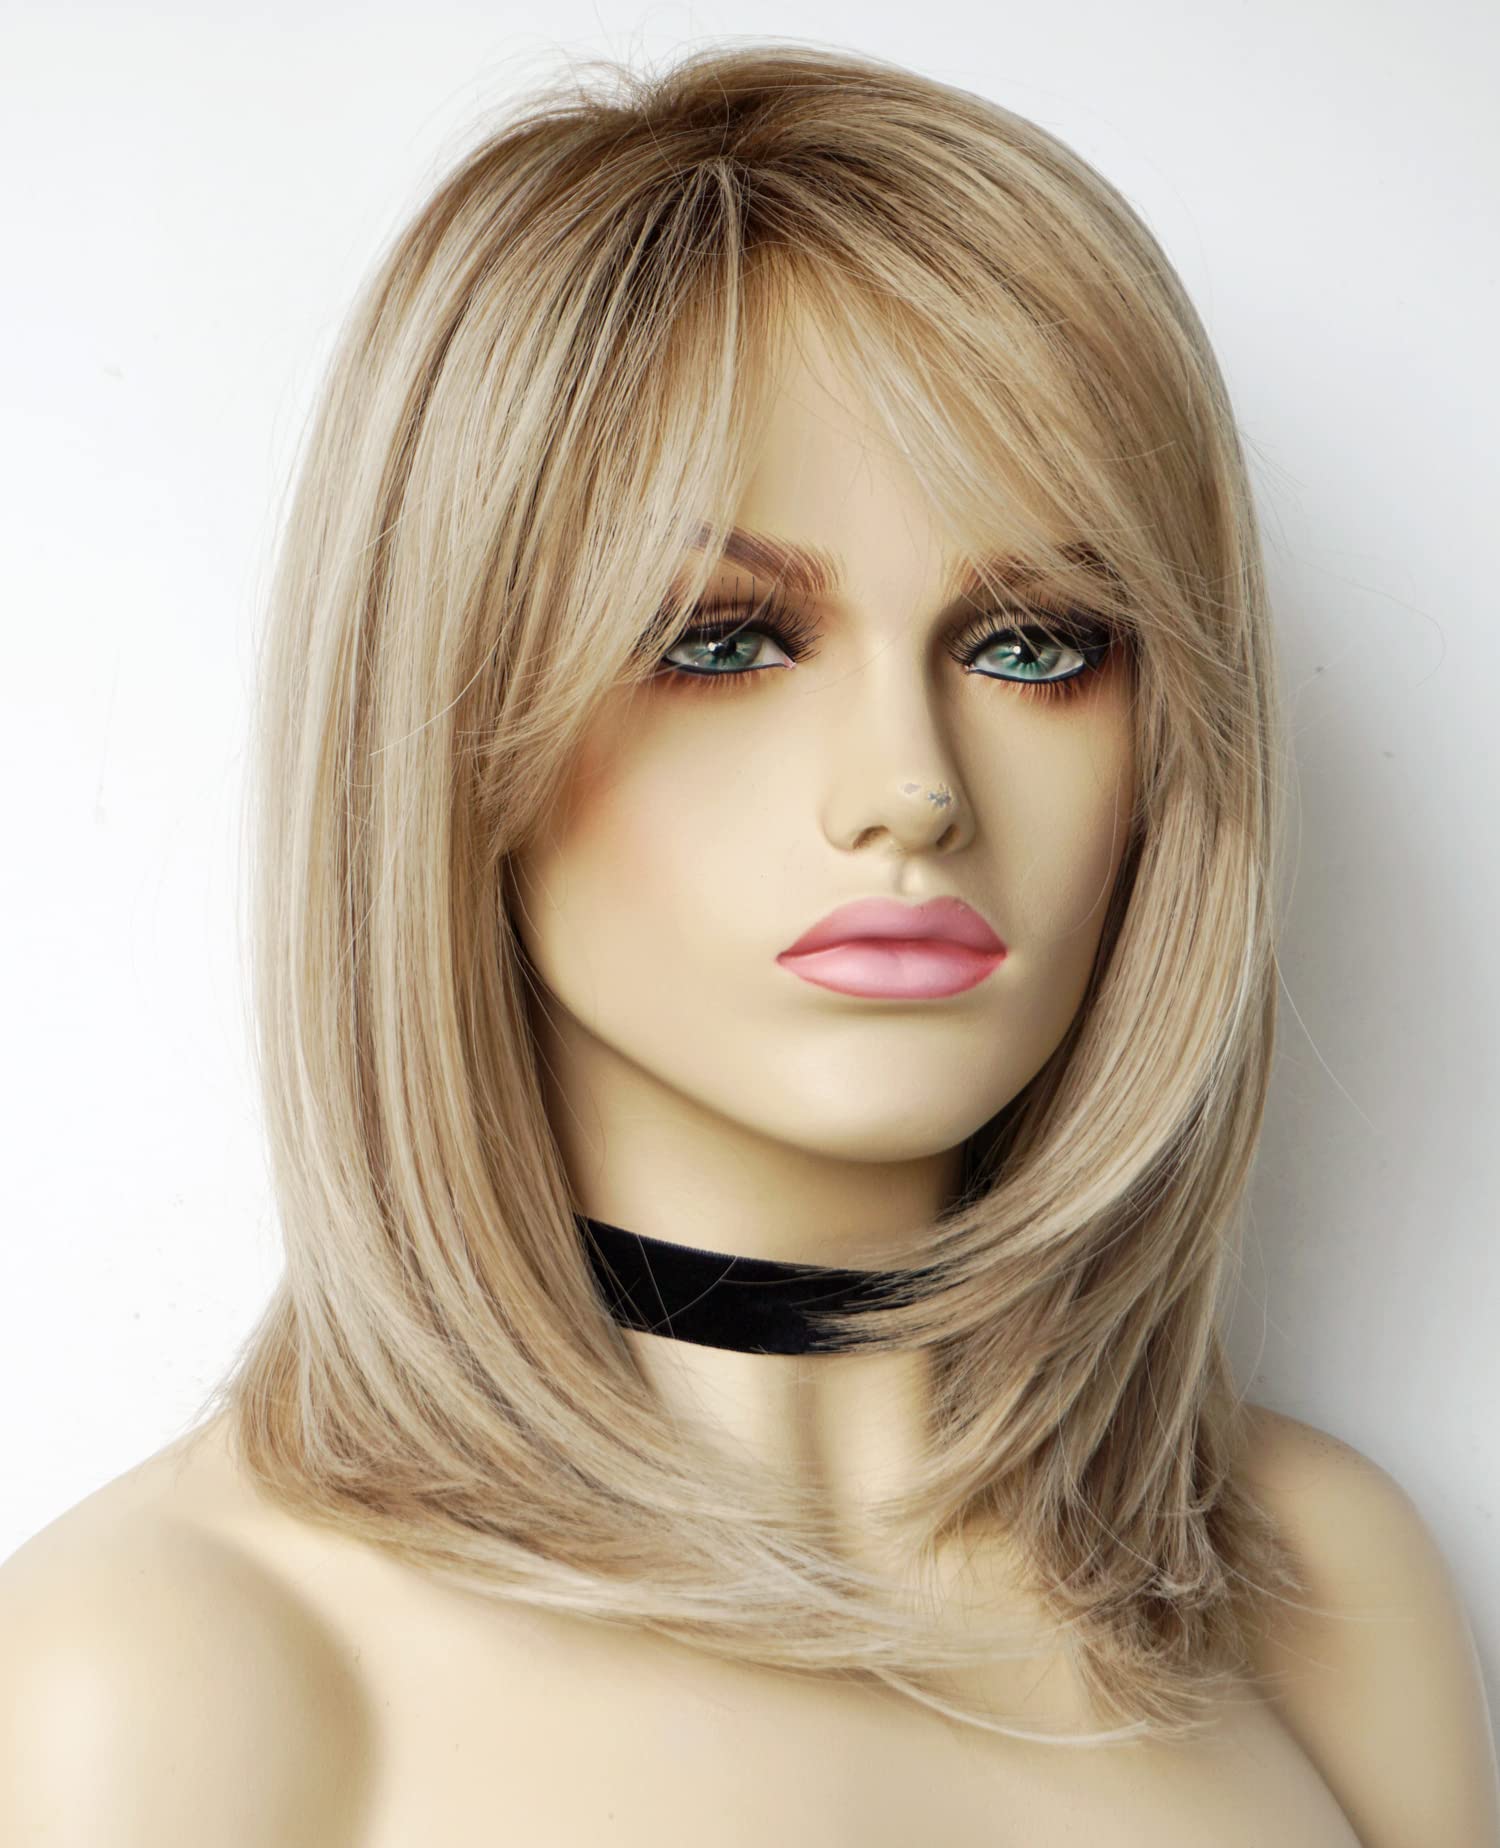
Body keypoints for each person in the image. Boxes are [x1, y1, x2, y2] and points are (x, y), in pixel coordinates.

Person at [3, 40, 1495, 1847]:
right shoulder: (176, 1678)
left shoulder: (1320, 1588)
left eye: (1033, 646)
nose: (910, 790)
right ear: (448, 734)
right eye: (721, 642)